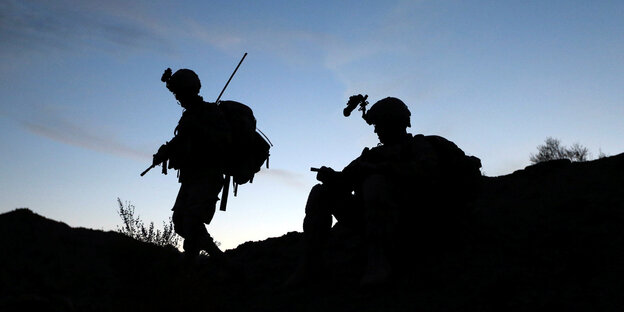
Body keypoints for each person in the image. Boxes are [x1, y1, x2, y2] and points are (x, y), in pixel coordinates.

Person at [290, 96, 481, 286]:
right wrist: (332, 177)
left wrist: (382, 170)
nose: (376, 130)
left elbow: (427, 173)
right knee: (320, 192)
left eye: (380, 124)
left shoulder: (418, 146)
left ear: (395, 123)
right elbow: (345, 179)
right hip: (371, 218)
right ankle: (311, 265)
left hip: (416, 216)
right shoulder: (372, 155)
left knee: (376, 183)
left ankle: (379, 262)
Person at [152, 68, 231, 262]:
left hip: (208, 175)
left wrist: (199, 130)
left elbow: (224, 140)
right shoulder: (189, 116)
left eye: (179, 93)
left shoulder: (210, 112)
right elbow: (181, 141)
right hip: (191, 177)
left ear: (189, 90)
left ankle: (216, 261)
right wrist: (165, 152)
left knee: (191, 221)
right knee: (180, 222)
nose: (178, 97)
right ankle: (203, 262)